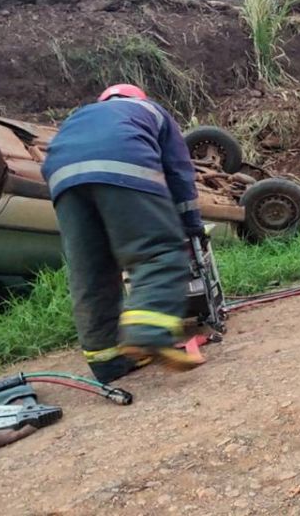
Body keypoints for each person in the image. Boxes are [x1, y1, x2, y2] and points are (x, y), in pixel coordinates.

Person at [42, 83, 208, 383]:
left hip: (62, 177)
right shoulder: (153, 111)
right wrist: (190, 224)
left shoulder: (82, 115)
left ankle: (106, 361)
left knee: (91, 270)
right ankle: (148, 332)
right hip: (122, 159)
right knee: (159, 251)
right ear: (139, 98)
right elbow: (179, 173)